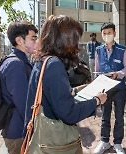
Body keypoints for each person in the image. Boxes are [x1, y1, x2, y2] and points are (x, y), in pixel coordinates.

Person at [23, 15, 107, 153]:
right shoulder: (54, 64)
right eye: (75, 39)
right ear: (65, 39)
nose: (77, 45)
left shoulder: (42, 60)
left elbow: (52, 95)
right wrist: (97, 100)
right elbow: (69, 113)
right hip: (55, 143)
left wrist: (75, 90)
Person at [0, 21, 38, 154]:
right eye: (33, 38)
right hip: (18, 133)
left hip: (21, 129)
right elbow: (25, 104)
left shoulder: (21, 61)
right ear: (19, 40)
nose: (36, 42)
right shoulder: (15, 64)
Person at [94, 22, 126, 154]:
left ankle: (117, 143)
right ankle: (104, 141)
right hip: (105, 90)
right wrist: (96, 87)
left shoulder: (122, 49)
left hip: (119, 89)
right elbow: (97, 70)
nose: (106, 35)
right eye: (104, 33)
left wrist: (119, 74)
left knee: (119, 117)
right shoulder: (98, 50)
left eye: (109, 33)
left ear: (114, 33)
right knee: (105, 116)